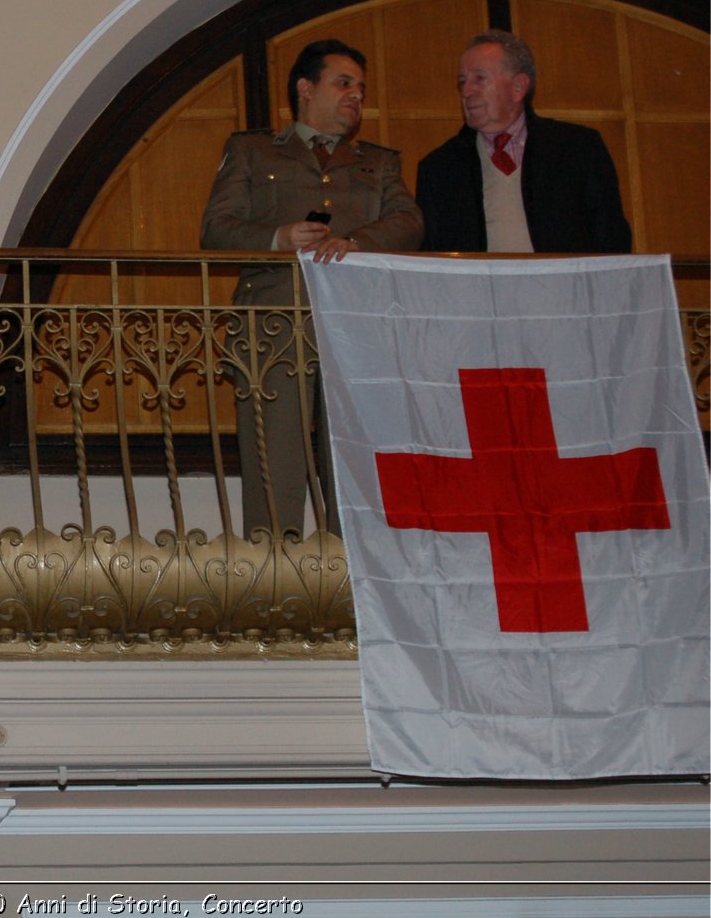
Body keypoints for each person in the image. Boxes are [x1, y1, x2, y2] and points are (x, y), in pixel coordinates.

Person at [200, 39, 423, 540]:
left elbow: (409, 221)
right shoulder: (253, 150)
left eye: (361, 90)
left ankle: (355, 589)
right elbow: (216, 229)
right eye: (344, 84)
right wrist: (277, 238)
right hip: (274, 321)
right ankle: (274, 591)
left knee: (356, 461)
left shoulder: (378, 161)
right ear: (305, 88)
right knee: (274, 463)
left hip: (356, 324)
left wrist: (358, 242)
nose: (355, 97)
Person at [416, 29, 631, 253]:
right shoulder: (439, 168)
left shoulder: (577, 148)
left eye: (479, 78)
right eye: (462, 81)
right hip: (477, 288)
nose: (467, 91)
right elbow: (432, 258)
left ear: (518, 87)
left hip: (564, 286)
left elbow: (612, 236)